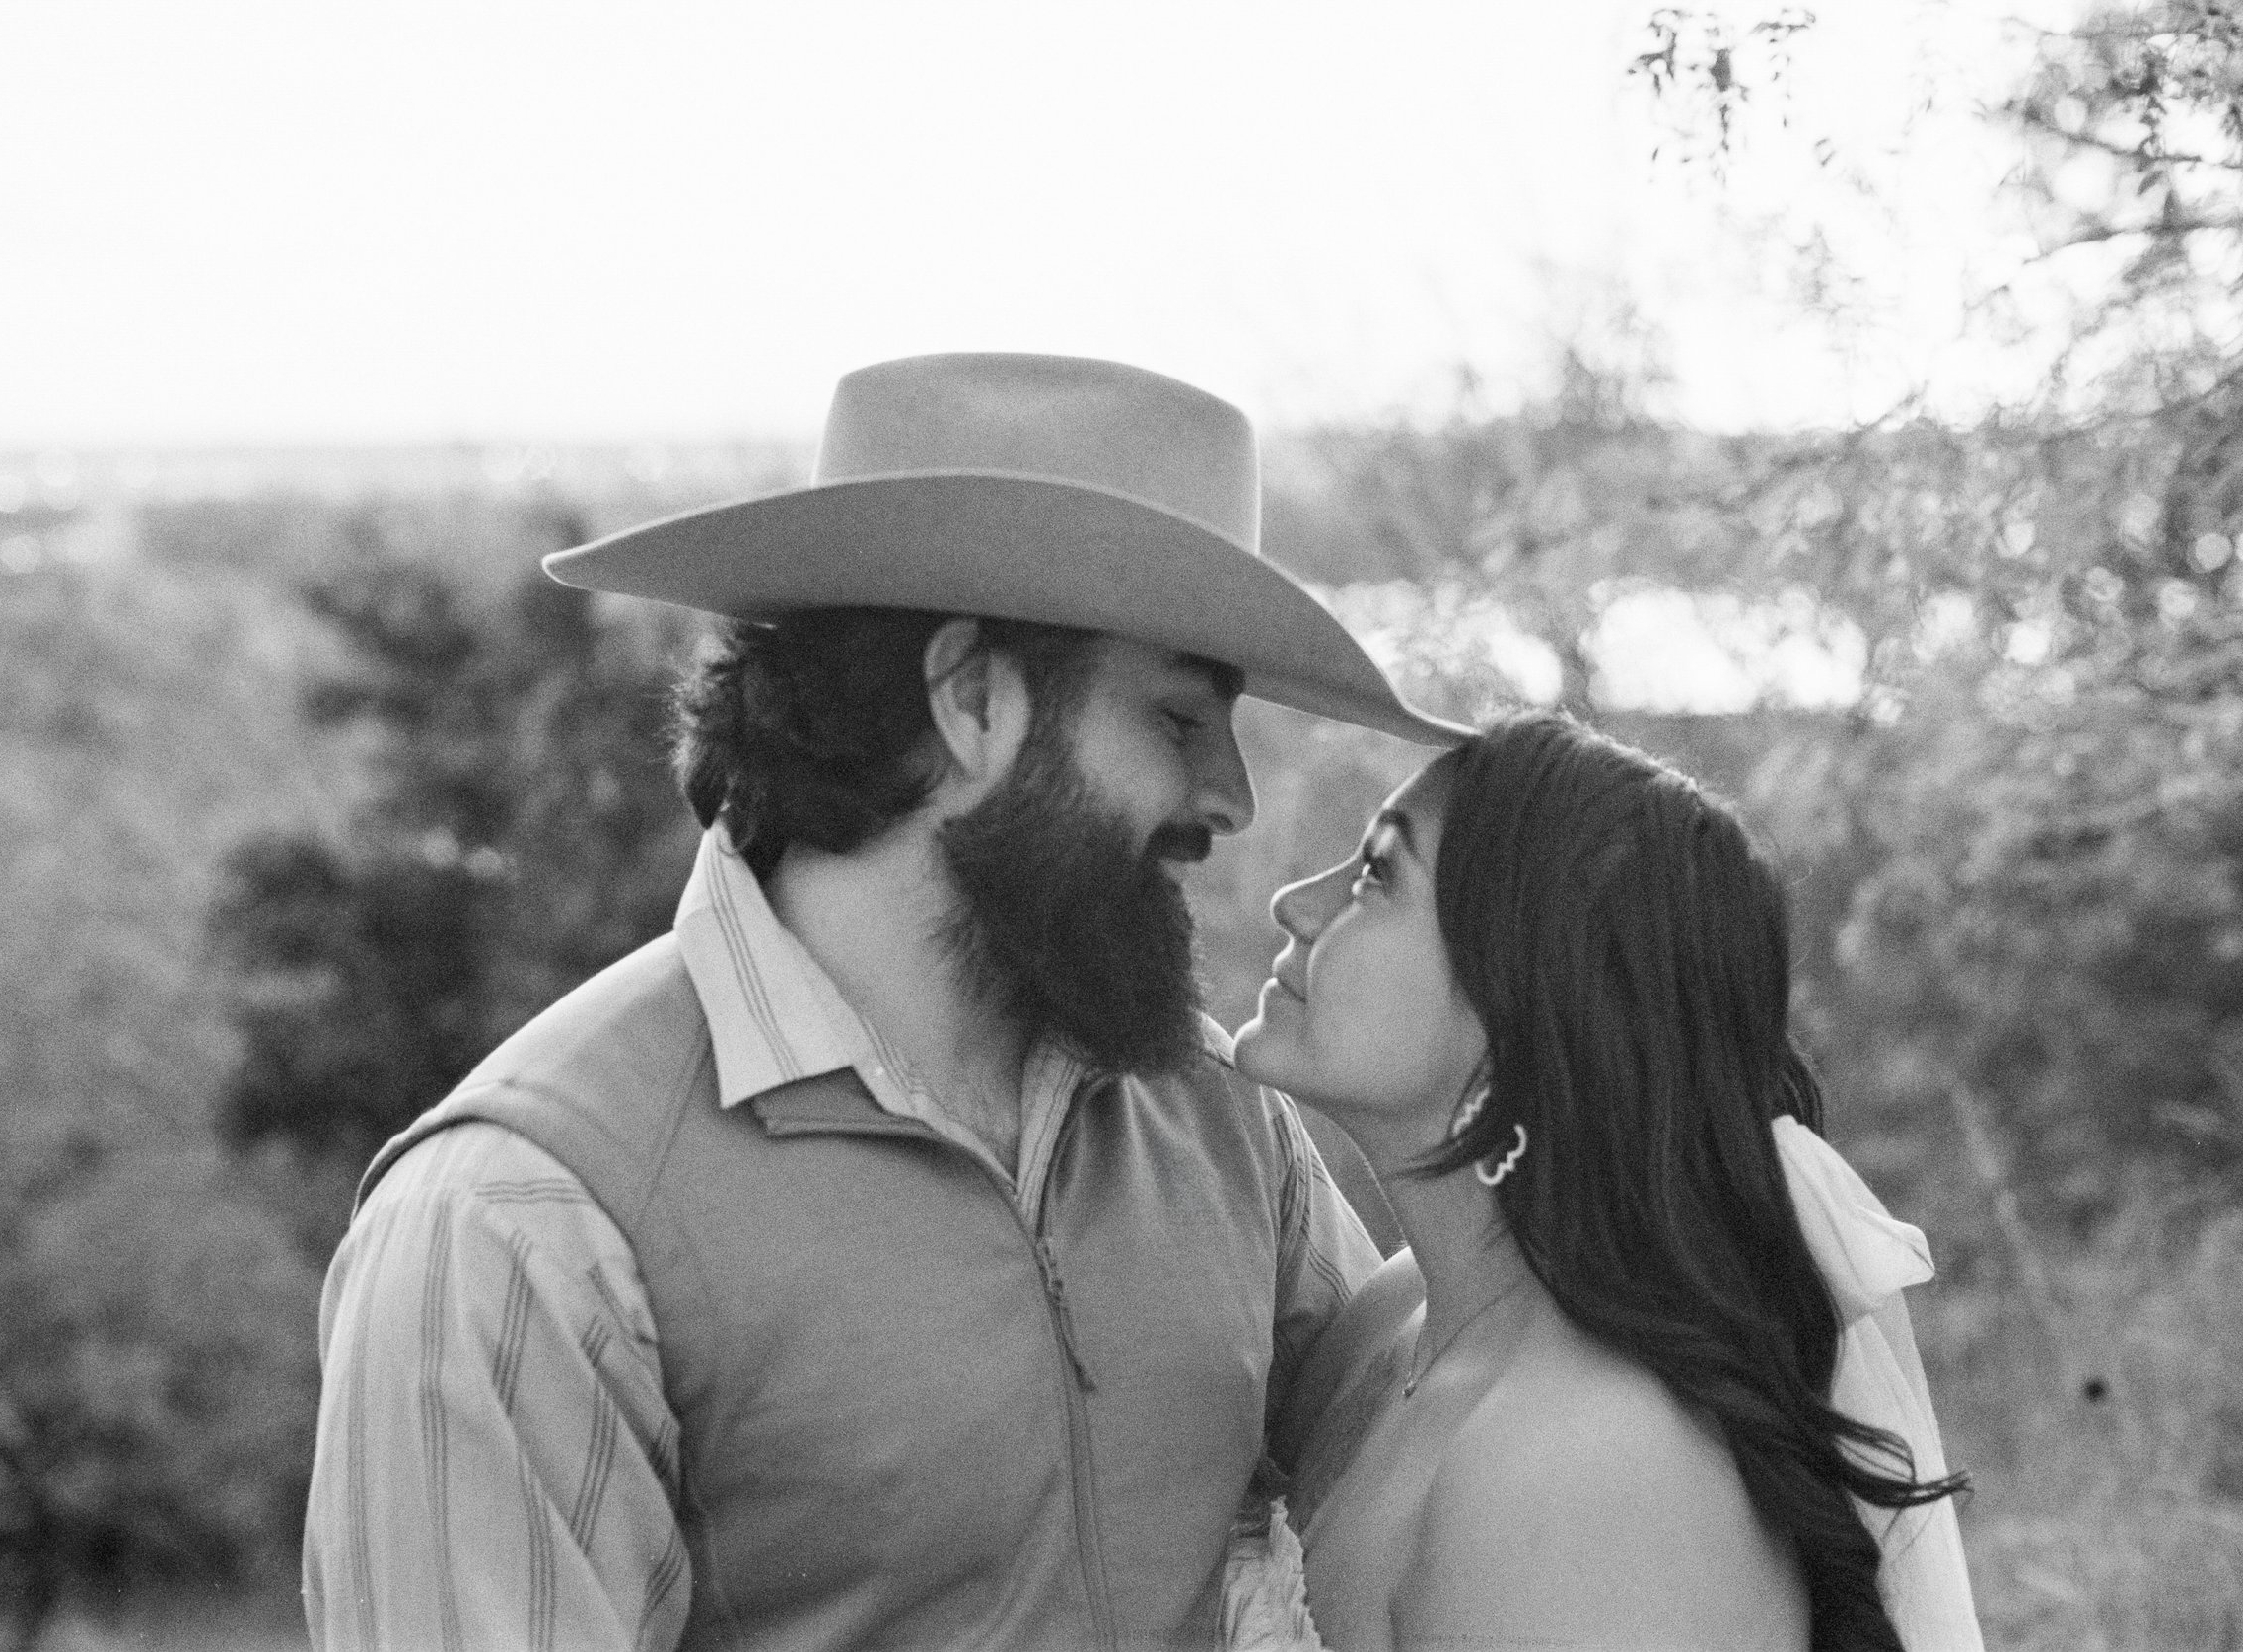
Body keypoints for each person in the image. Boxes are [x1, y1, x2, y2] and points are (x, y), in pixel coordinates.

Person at [299, 352, 1466, 1651]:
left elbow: (1443, 1445)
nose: (1232, 798)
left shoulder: (1211, 1114)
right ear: (973, 699)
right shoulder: (516, 1227)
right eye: (1180, 719)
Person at [1229, 713, 1981, 1652]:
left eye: (1378, 876)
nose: (1298, 901)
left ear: (1531, 1004)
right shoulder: (1395, 1316)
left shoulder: (1595, 1467)